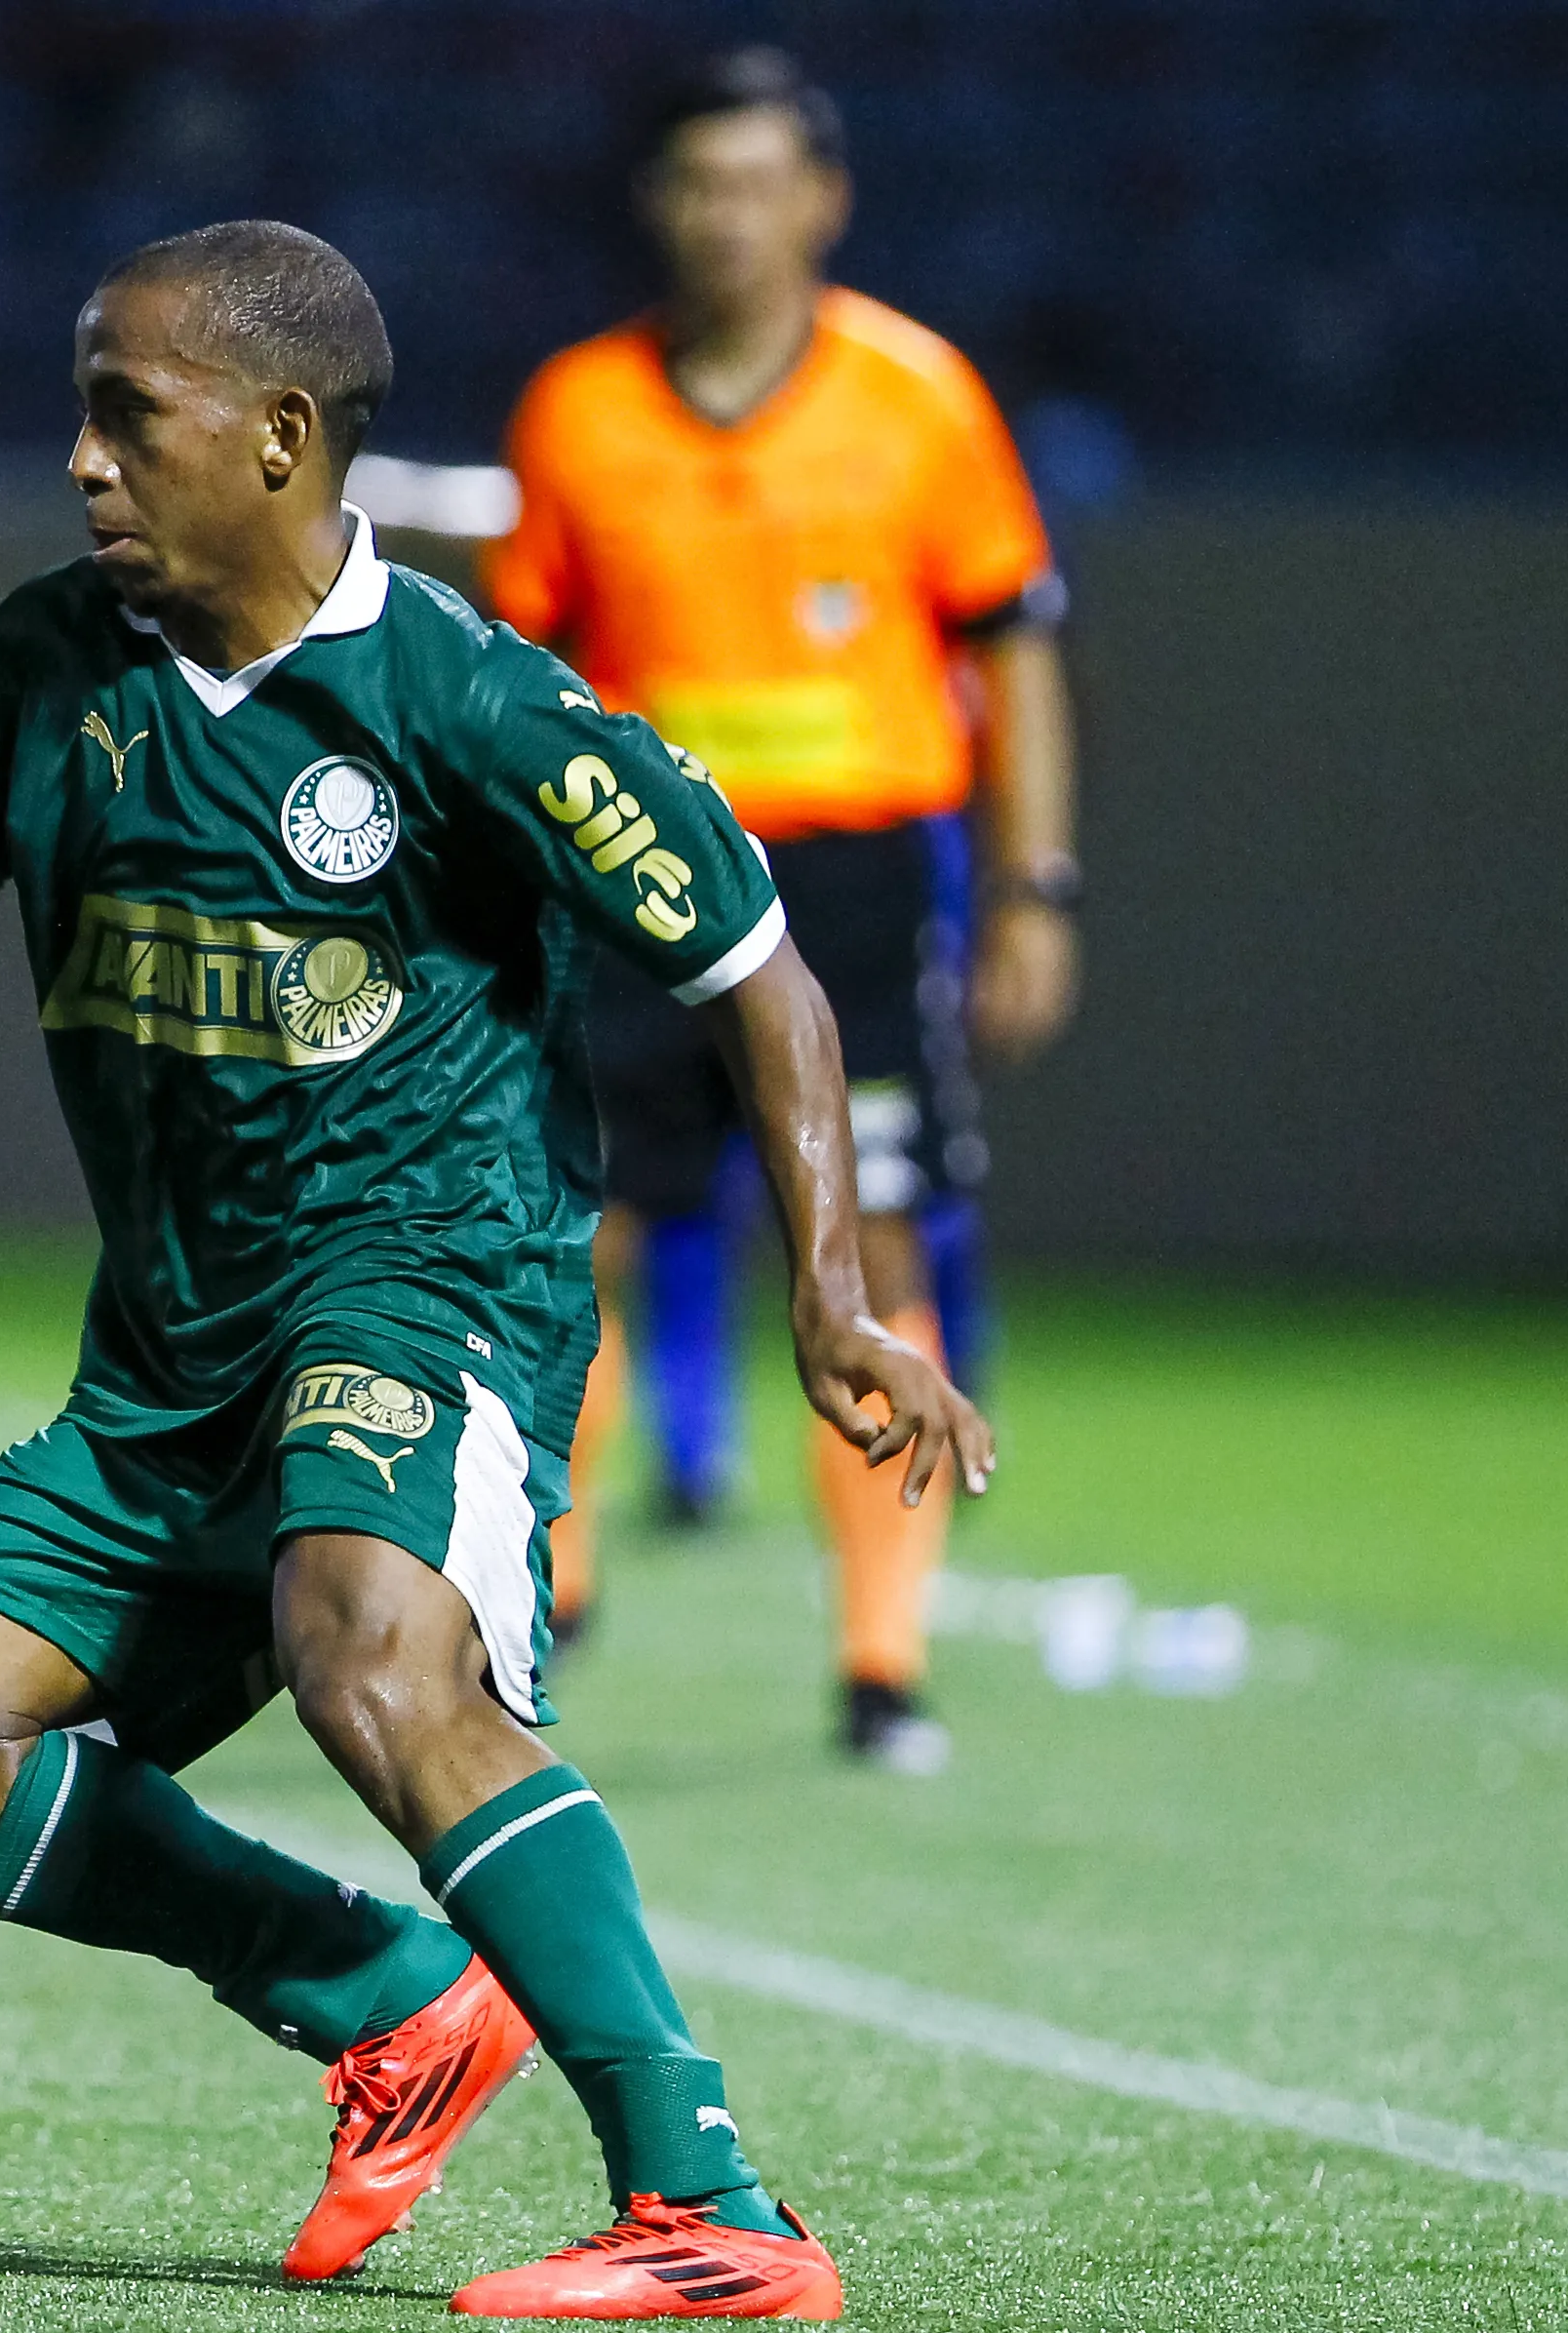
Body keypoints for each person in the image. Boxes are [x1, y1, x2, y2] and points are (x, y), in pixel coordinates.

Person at [0, 220, 989, 2318]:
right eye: (79, 411)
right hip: (167, 1367)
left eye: (123, 414)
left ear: (276, 436)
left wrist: (825, 1288)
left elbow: (758, 971)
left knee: (369, 1652)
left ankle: (711, 2208)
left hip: (427, 1287)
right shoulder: (39, 663)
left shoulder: (466, 698)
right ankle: (377, 1993)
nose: (79, 459)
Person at [481, 48, 1080, 1770]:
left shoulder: (917, 398)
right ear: (653, 203)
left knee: (874, 1241)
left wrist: (1033, 887)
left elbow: (1011, 650)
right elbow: (513, 677)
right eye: (695, 182)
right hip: (633, 876)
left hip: (852, 886)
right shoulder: (578, 410)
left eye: (755, 181)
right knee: (571, 1232)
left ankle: (882, 1663)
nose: (723, 215)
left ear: (822, 201)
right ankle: (543, 1595)